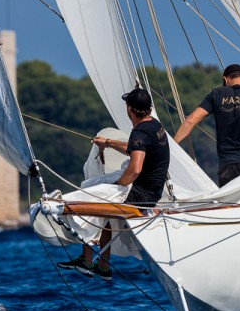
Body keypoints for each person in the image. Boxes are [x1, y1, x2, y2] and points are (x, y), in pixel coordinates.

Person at [62, 87, 169, 280]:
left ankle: (86, 260)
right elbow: (135, 148)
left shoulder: (140, 132)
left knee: (90, 194)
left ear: (130, 109)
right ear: (149, 109)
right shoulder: (155, 126)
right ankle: (102, 266)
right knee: (95, 192)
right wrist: (108, 143)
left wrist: (120, 184)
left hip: (140, 193)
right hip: (152, 191)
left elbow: (135, 168)